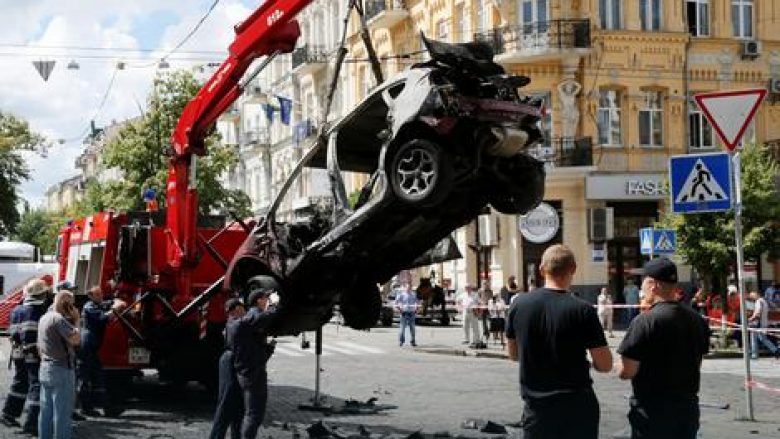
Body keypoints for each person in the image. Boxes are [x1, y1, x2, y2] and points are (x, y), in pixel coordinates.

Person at [506, 244, 612, 439]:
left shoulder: (518, 305)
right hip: (577, 406)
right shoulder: (584, 310)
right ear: (573, 269)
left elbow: (513, 354)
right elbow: (605, 365)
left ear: (541, 269)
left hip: (537, 409)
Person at [617, 257, 711, 439]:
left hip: (652, 411)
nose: (641, 287)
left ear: (653, 285)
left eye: (643, 281)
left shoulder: (644, 321)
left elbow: (626, 371)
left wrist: (617, 366)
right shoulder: (697, 320)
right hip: (687, 409)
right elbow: (696, 364)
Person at [226, 277, 279, 439]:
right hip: (252, 374)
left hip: (245, 372)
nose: (267, 301)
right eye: (265, 298)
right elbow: (260, 317)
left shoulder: (232, 324)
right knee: (254, 414)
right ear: (258, 301)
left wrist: (267, 348)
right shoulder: (242, 323)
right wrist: (275, 305)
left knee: (243, 412)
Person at [1, 279, 50, 433]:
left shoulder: (17, 309)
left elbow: (13, 333)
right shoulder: (37, 310)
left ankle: (8, 413)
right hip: (32, 354)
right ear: (41, 294)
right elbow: (31, 334)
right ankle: (32, 423)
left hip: (18, 353)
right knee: (36, 385)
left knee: (20, 382)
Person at [38, 290, 81, 439]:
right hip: (61, 369)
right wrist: (76, 320)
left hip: (45, 367)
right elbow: (75, 340)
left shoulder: (44, 318)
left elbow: (40, 347)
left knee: (46, 412)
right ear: (66, 303)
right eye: (71, 304)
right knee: (62, 414)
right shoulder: (58, 319)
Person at [77, 286, 125, 417]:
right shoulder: (89, 306)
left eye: (101, 293)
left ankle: (106, 407)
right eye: (98, 294)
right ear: (91, 296)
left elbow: (109, 303)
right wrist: (116, 308)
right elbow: (103, 318)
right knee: (84, 378)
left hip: (92, 348)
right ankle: (85, 408)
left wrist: (116, 301)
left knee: (98, 377)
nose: (101, 296)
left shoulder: (97, 304)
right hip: (87, 347)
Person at [210, 298, 247, 439]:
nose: (245, 311)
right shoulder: (234, 323)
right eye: (242, 309)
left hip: (234, 361)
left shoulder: (234, 322)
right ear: (237, 309)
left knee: (238, 406)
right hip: (230, 361)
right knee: (226, 404)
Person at [748, 289, 779, 359]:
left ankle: (754, 354)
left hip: (758, 323)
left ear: (757, 294)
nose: (751, 297)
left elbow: (758, 313)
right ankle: (775, 350)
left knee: (753, 338)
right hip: (764, 322)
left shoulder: (759, 301)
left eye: (752, 295)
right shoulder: (764, 301)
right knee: (763, 339)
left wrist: (751, 319)